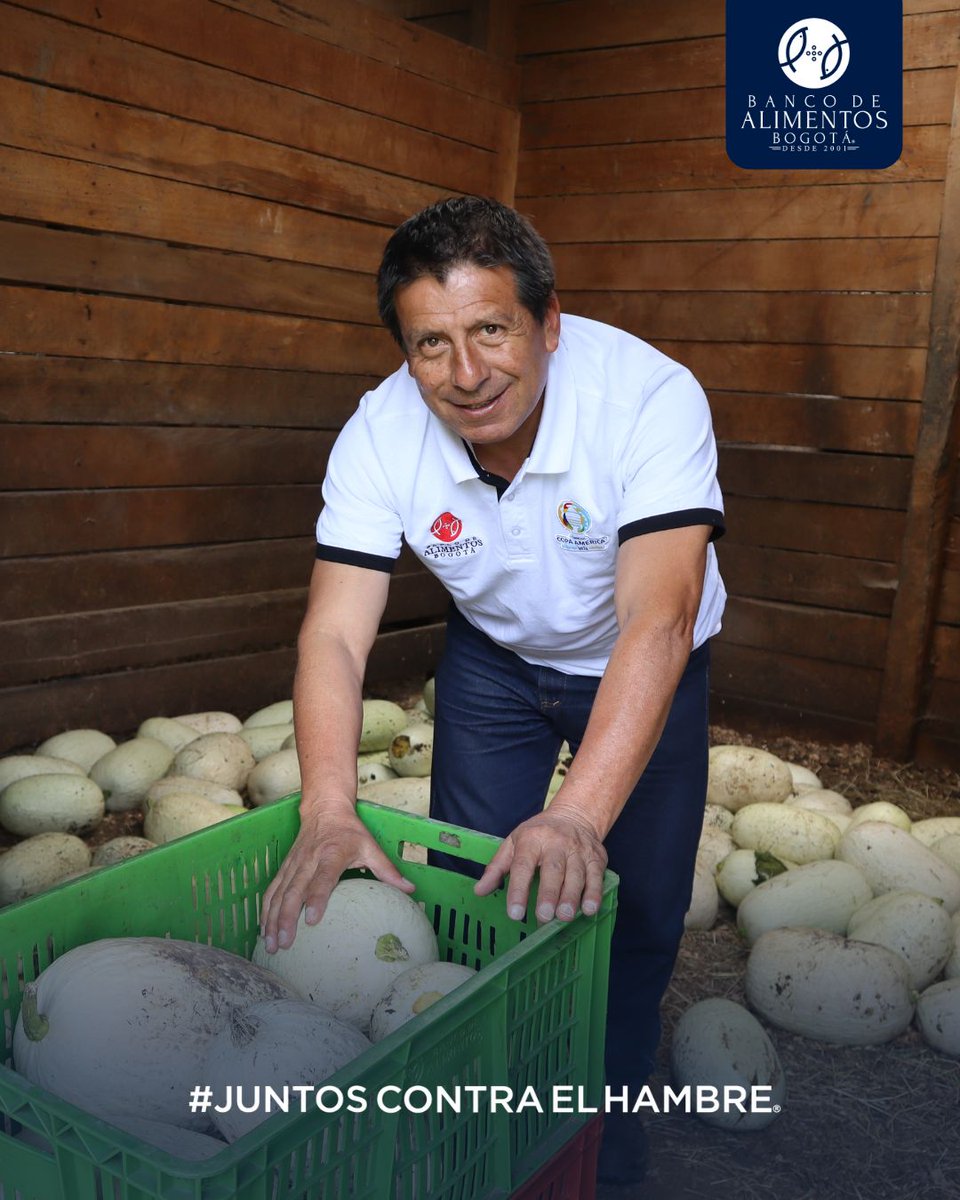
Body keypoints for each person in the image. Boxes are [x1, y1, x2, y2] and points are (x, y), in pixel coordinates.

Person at [260, 195, 726, 1184]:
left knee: (636, 912)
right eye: (431, 344)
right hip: (494, 660)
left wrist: (577, 816)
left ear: (549, 323)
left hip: (639, 660)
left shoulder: (649, 397)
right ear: (404, 351)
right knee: (472, 895)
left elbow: (660, 619)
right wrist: (329, 806)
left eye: (491, 331)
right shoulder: (381, 432)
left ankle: (599, 1142)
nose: (466, 374)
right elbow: (334, 633)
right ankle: (480, 1120)